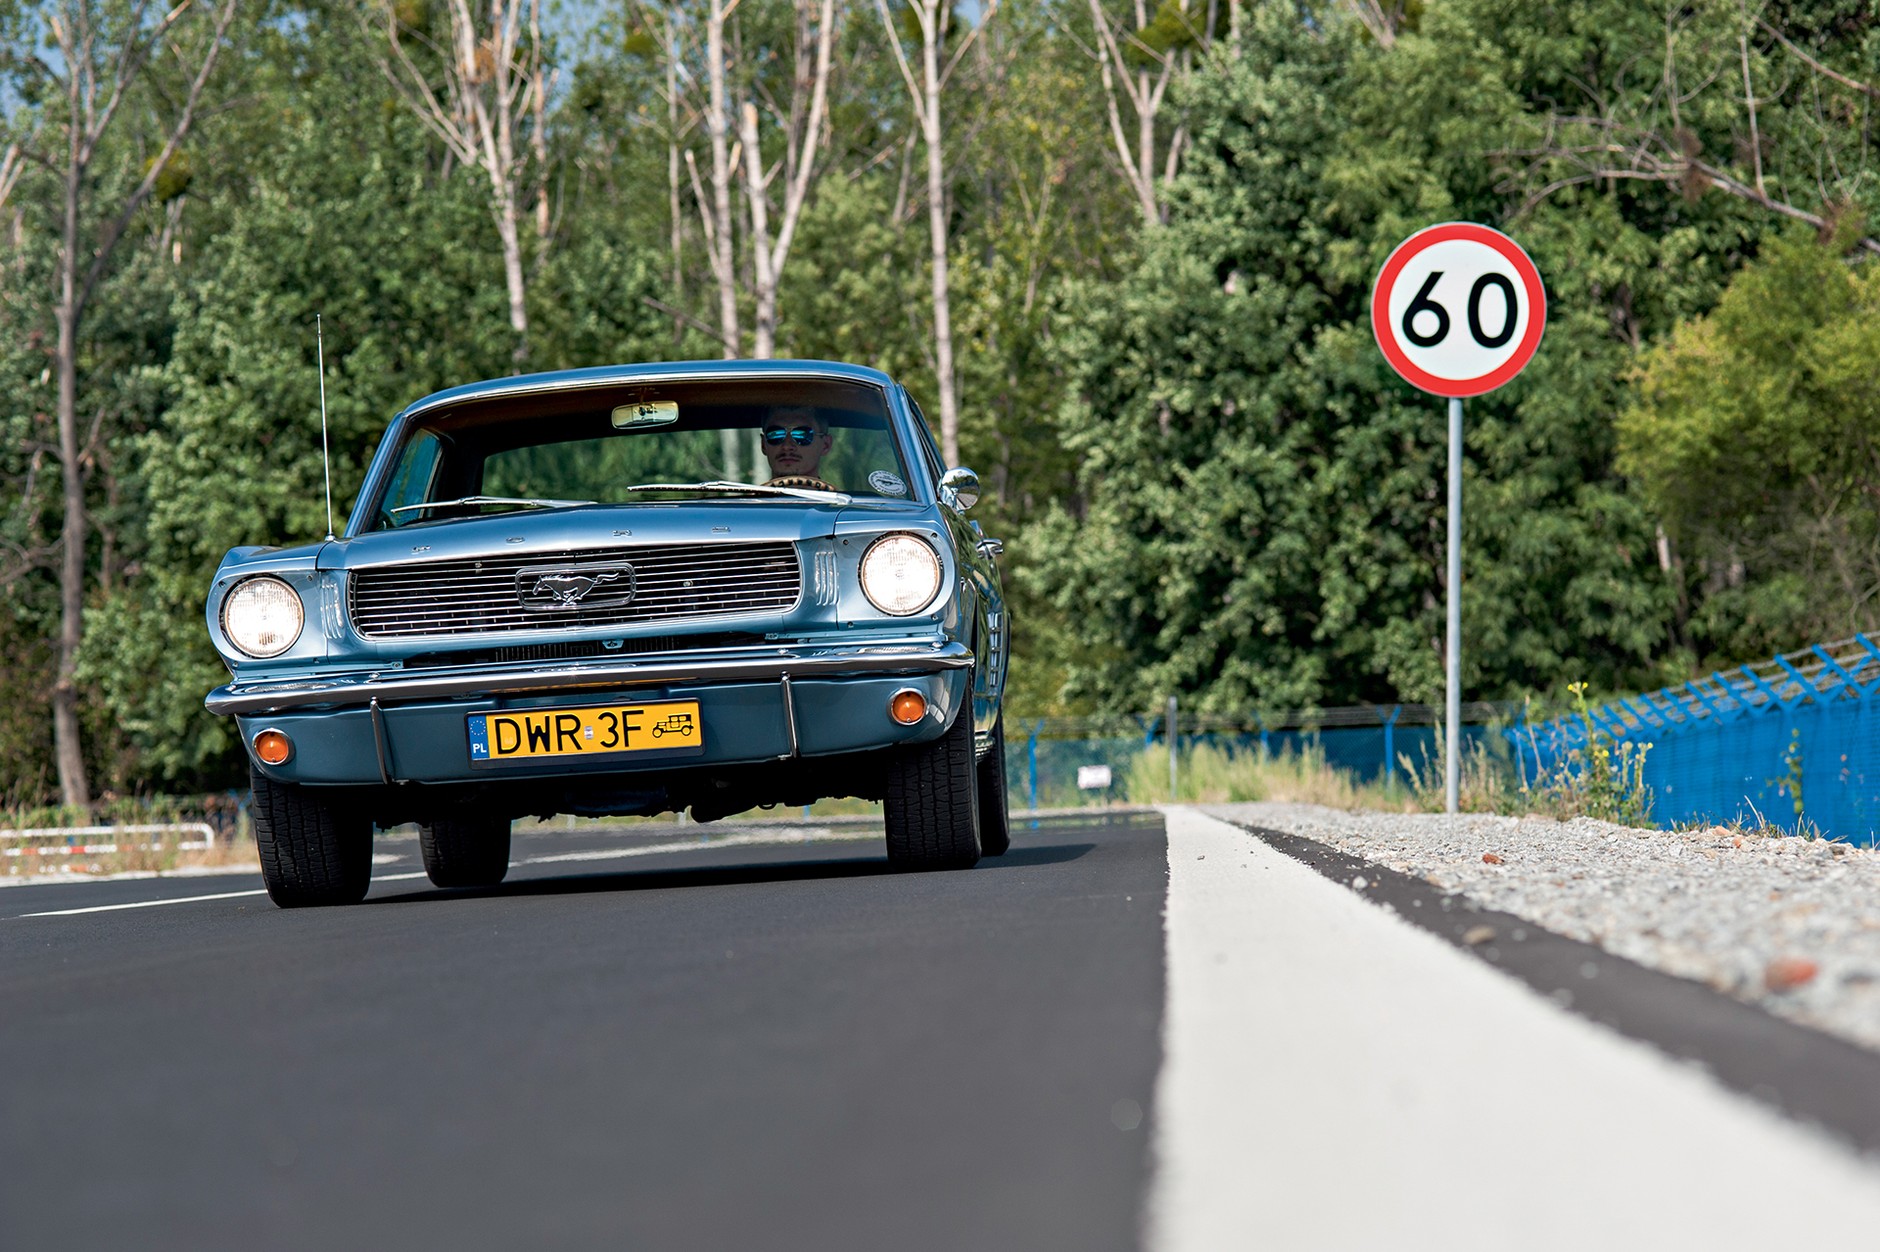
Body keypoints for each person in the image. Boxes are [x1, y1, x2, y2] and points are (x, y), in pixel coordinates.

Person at [760, 405, 836, 489]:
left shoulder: (844, 501)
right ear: (763, 444)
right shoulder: (748, 501)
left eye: (802, 435)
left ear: (826, 445)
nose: (787, 446)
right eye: (776, 434)